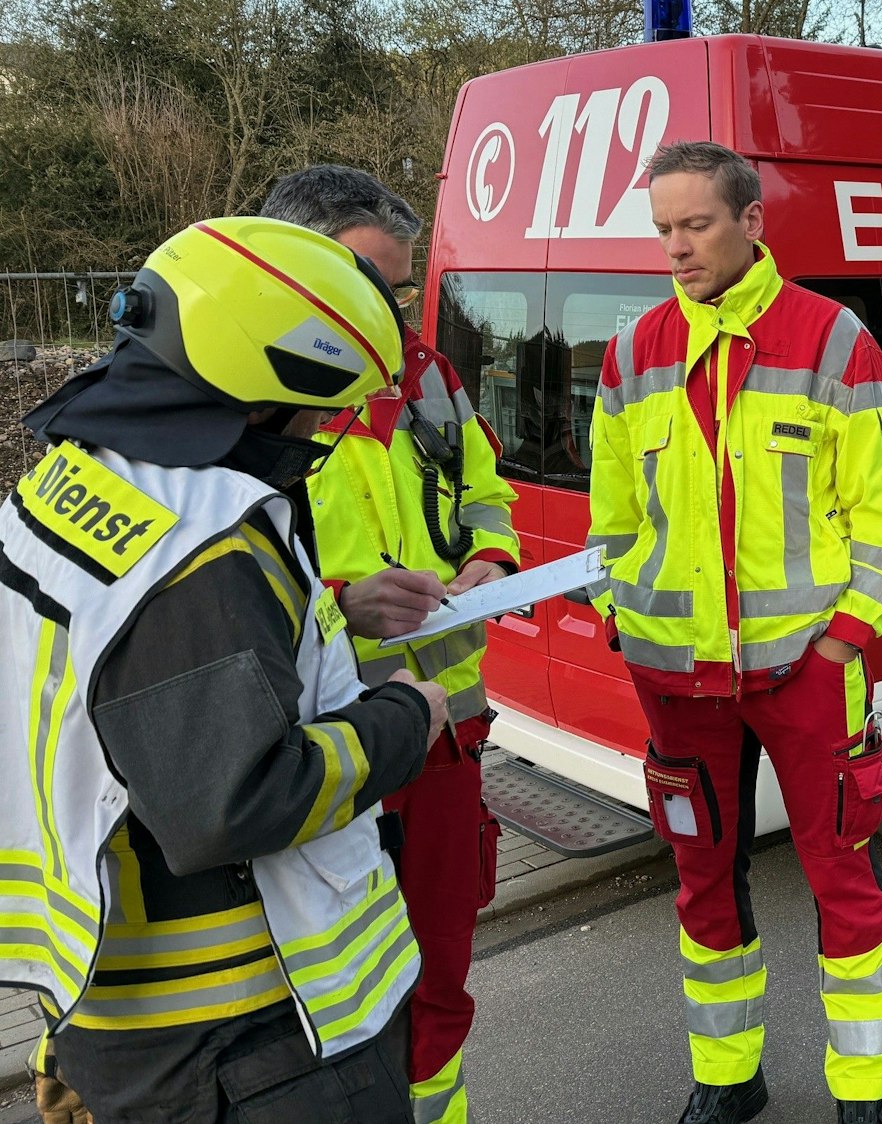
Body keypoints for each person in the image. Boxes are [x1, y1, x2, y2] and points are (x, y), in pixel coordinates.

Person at [2, 216, 442, 1121]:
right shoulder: (206, 547)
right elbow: (235, 801)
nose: (328, 428)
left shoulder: (74, 476)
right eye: (326, 406)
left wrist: (325, 615)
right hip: (251, 1039)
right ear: (263, 384)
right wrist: (408, 718)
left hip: (111, 1005)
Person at [586, 141, 882, 1124]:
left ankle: (863, 1087)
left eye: (695, 224)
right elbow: (613, 516)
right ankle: (727, 1077)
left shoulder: (831, 339)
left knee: (840, 873)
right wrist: (621, 611)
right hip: (676, 679)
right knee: (701, 885)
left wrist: (843, 642)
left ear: (751, 222)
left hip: (807, 670)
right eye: (662, 229)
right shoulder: (631, 349)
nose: (675, 248)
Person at [264, 164, 521, 1124]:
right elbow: (202, 597)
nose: (391, 307)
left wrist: (492, 561)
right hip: (315, 754)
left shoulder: (428, 379)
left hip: (446, 735)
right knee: (327, 997)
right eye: (369, 280)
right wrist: (339, 602)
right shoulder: (241, 401)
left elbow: (487, 494)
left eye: (400, 287)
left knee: (441, 972)